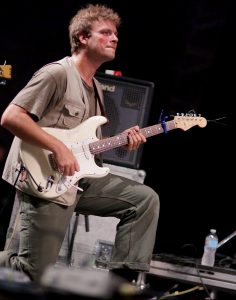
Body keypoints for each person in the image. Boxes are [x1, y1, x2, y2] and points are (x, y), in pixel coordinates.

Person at [0, 4, 160, 283]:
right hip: (45, 179)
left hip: (76, 178)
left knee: (144, 200)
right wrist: (58, 148)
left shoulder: (96, 88)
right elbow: (12, 117)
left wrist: (124, 141)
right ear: (83, 37)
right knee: (32, 272)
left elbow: (86, 145)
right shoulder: (57, 74)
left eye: (116, 34)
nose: (115, 38)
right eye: (106, 32)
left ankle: (119, 283)